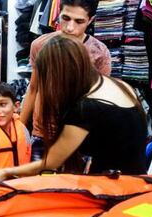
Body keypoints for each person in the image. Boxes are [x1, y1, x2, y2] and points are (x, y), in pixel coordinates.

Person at [0, 35, 147, 182]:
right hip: (136, 182)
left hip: (115, 188)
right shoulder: (120, 85)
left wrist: (6, 172)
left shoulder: (86, 108)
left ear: (58, 74)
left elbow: (50, 162)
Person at [20, 0, 112, 162]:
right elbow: (33, 88)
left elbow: (101, 101)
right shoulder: (40, 45)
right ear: (58, 14)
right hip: (43, 134)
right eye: (66, 18)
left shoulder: (99, 52)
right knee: (39, 185)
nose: (70, 27)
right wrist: (19, 129)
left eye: (79, 21)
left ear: (90, 20)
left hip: (79, 136)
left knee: (74, 186)